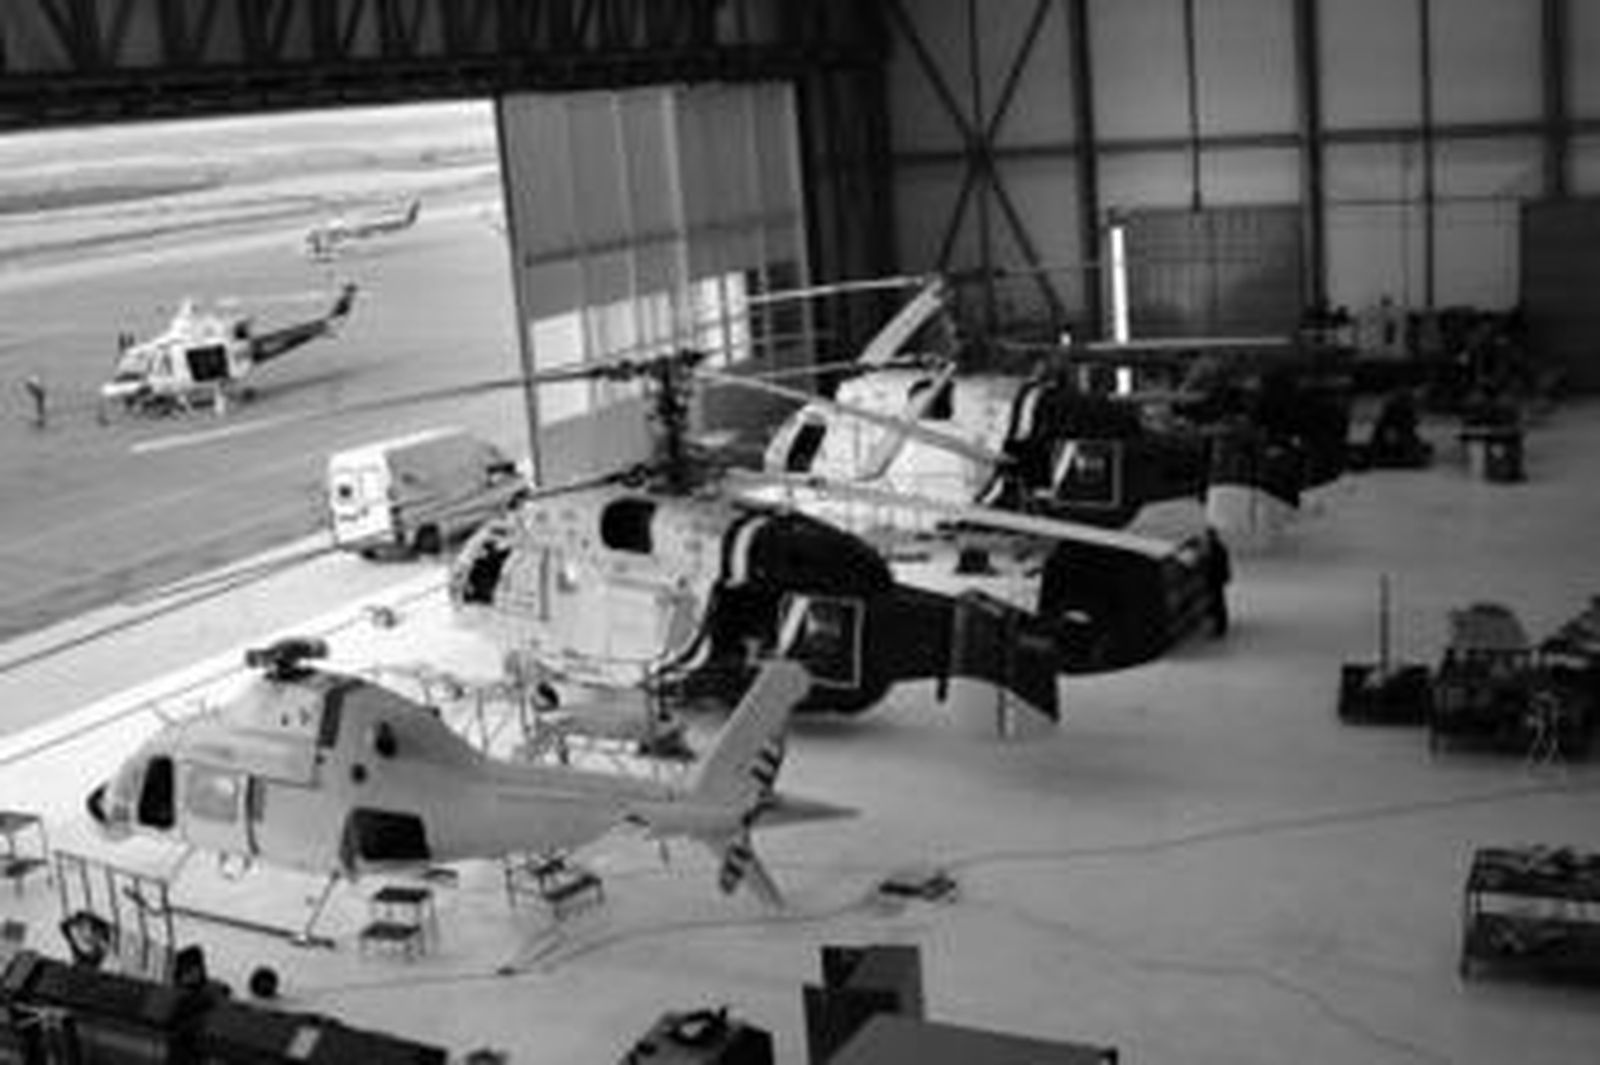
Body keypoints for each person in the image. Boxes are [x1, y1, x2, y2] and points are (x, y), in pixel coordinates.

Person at [1203, 526, 1232, 637]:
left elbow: (1214, 565)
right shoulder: (1219, 546)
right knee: (1219, 602)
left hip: (1215, 579)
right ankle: (1220, 627)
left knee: (1217, 603)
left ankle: (1219, 628)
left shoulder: (1214, 548)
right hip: (1218, 579)